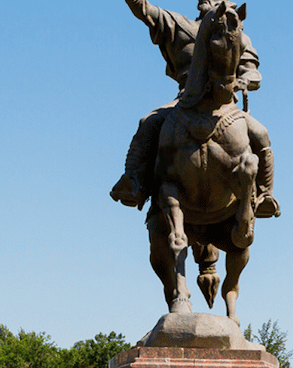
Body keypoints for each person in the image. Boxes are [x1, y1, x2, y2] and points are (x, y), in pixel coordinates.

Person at [111, 0, 277, 217]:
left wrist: (242, 81)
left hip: (226, 105)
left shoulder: (236, 33)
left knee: (261, 134)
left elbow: (253, 73)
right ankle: (134, 182)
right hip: (185, 99)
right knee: (148, 122)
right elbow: (144, 10)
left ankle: (265, 194)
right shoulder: (178, 25)